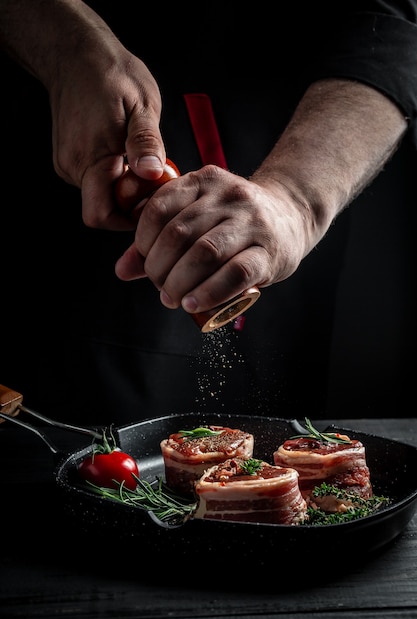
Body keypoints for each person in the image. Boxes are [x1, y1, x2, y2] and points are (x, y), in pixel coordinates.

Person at [0, 0, 416, 426]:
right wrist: (67, 42)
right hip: (43, 220)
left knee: (265, 458)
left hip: (278, 195)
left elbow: (388, 25)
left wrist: (294, 200)